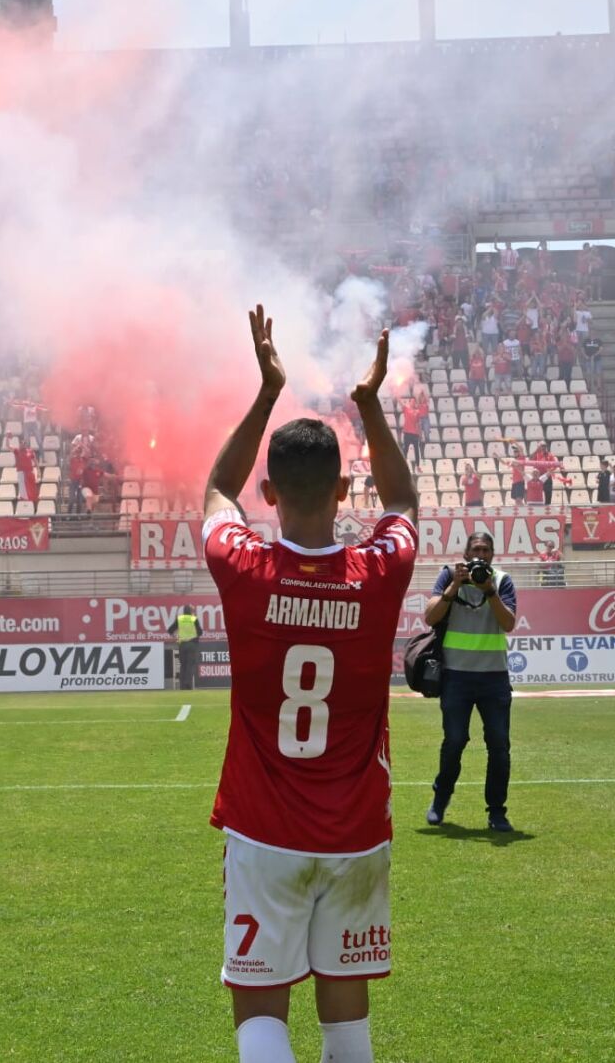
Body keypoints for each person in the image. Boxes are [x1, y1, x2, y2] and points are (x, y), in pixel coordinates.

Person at [202, 308, 416, 1063]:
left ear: (270, 487)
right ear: (345, 485)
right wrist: (368, 402)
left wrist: (268, 392)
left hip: (264, 830)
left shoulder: (244, 566)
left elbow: (214, 490)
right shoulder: (378, 570)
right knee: (349, 1031)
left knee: (261, 1014)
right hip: (357, 830)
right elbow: (406, 505)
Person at [423, 528, 518, 832]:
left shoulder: (502, 581)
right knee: (454, 741)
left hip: (494, 677)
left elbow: (509, 623)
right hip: (457, 677)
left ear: (492, 555)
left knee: (499, 746)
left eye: (485, 551)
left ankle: (497, 812)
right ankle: (440, 799)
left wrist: (489, 590)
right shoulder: (449, 575)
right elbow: (430, 617)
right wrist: (454, 586)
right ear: (466, 554)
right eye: (475, 550)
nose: (480, 556)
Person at [174, 604, 203, 691]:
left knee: (183, 665)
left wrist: (178, 637)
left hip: (182, 644)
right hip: (191, 644)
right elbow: (200, 632)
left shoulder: (180, 619)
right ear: (191, 611)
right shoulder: (193, 619)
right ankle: (188, 684)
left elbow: (172, 629)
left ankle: (182, 686)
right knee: (190, 666)